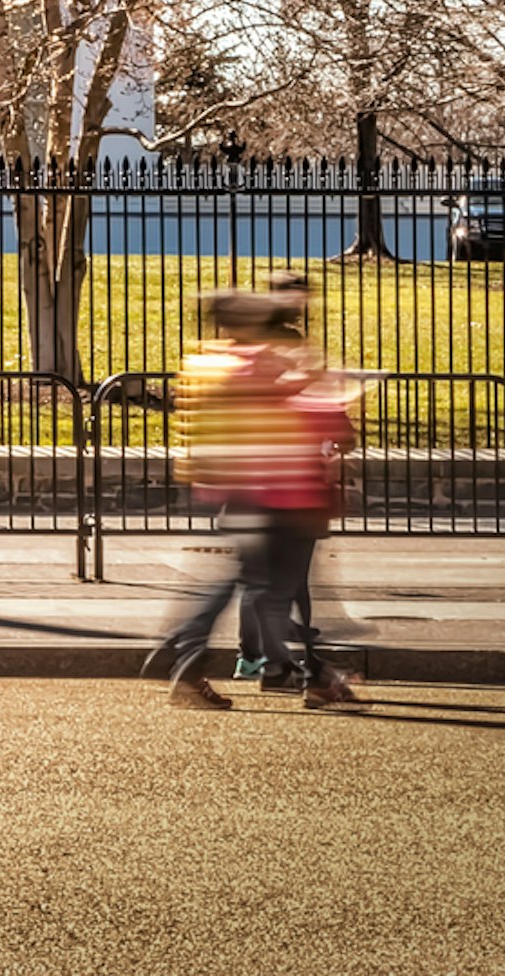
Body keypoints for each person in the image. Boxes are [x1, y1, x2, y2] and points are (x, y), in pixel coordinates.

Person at [148, 290, 360, 711]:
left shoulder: (212, 363)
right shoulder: (263, 366)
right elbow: (319, 417)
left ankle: (189, 657)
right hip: (281, 493)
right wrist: (325, 386)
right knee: (273, 592)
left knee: (251, 587)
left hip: (240, 491)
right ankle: (308, 674)